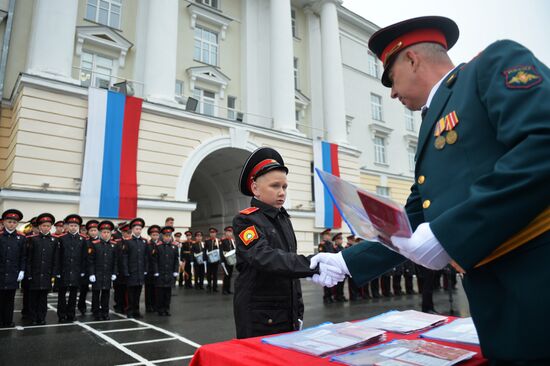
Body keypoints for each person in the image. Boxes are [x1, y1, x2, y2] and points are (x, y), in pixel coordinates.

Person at [310, 15, 550, 363]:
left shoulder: (491, 65)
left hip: (536, 277)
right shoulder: (431, 122)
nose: (391, 93)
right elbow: (415, 216)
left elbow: (543, 141)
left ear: (412, 59)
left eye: (391, 79)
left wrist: (449, 234)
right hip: (493, 296)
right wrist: (347, 261)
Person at [233, 147, 324, 339]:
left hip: (286, 312)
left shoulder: (283, 218)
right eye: (275, 186)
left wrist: (298, 309)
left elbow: (289, 270)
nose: (282, 192)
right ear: (255, 188)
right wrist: (312, 264)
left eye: (284, 187)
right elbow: (264, 257)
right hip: (260, 315)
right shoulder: (245, 220)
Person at [27, 213, 59, 325]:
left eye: (48, 226)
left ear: (51, 227)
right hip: (34, 274)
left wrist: (53, 274)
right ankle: (33, 317)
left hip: (47, 274)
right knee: (33, 297)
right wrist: (29, 273)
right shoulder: (32, 239)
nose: (46, 228)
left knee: (43, 298)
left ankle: (42, 317)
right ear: (39, 227)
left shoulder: (54, 241)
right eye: (43, 225)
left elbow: (56, 259)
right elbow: (29, 259)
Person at [56, 214, 87, 322]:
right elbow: (58, 256)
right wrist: (58, 271)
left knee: (73, 294)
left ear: (78, 227)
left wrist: (83, 270)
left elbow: (84, 257)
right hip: (64, 271)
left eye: (75, 225)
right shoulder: (61, 238)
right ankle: (61, 314)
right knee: (62, 294)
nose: (73, 227)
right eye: (71, 225)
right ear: (67, 226)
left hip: (76, 271)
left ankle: (71, 314)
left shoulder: (83, 239)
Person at [88, 220, 118, 321]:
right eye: (104, 232)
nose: (106, 234)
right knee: (96, 294)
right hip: (97, 274)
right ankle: (96, 312)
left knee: (106, 294)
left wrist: (114, 272)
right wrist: (91, 273)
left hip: (108, 274)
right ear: (100, 233)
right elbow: (91, 260)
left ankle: (105, 313)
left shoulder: (113, 245)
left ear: (111, 233)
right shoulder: (95, 244)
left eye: (108, 232)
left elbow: (115, 261)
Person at [0, 209, 25, 328]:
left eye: (14, 222)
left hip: (13, 273)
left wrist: (22, 270)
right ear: (4, 222)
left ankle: (8, 321)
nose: (12, 224)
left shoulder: (21, 238)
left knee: (10, 299)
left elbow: (23, 256)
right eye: (9, 221)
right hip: (0, 273)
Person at [122, 218, 148, 318]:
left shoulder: (144, 242)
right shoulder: (128, 241)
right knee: (130, 293)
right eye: (136, 228)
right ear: (132, 230)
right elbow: (125, 257)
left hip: (140, 271)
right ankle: (129, 311)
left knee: (138, 292)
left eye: (140, 229)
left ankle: (136, 311)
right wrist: (126, 270)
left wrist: (146, 269)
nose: (138, 230)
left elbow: (146, 257)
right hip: (131, 271)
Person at [153, 226, 179, 316]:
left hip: (170, 273)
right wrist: (156, 271)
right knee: (161, 293)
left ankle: (166, 309)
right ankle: (160, 309)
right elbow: (155, 260)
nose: (167, 238)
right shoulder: (158, 246)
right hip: (160, 273)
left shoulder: (174, 247)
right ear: (162, 236)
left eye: (169, 236)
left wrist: (176, 271)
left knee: (168, 293)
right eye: (165, 236)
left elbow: (176, 260)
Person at [145, 225, 161, 313]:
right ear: (150, 235)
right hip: (149, 271)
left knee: (157, 289)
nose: (155, 236)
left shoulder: (161, 244)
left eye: (157, 235)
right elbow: (146, 258)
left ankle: (156, 305)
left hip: (158, 271)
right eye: (153, 235)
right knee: (149, 289)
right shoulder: (147, 245)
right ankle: (149, 306)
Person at [317, 228, 335, 303]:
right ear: (324, 236)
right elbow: (322, 255)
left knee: (331, 282)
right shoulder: (322, 244)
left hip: (331, 266)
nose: (328, 236)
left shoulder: (330, 244)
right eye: (327, 235)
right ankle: (326, 297)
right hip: (325, 266)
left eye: (329, 235)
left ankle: (330, 296)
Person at [220, 226, 236, 295]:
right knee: (226, 275)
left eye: (230, 232)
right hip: (225, 260)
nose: (229, 233)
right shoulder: (223, 241)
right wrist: (222, 261)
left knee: (230, 275)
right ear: (225, 233)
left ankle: (228, 289)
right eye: (228, 232)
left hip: (231, 260)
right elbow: (221, 251)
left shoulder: (232, 241)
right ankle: (224, 290)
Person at [204, 227, 221, 292]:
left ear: (216, 233)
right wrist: (205, 259)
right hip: (209, 260)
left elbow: (220, 251)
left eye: (213, 233)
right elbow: (205, 250)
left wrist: (220, 259)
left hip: (216, 260)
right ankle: (209, 286)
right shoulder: (207, 241)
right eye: (211, 233)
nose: (212, 234)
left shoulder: (218, 241)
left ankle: (215, 287)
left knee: (215, 274)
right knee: (209, 274)